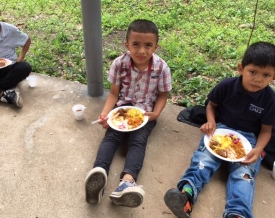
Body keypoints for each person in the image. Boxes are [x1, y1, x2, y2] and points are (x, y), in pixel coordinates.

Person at [164, 41, 275, 218]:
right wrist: (211, 122)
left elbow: (267, 130)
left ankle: (238, 213)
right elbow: (211, 105)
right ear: (241, 68)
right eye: (253, 72)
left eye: (266, 75)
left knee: (243, 175)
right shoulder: (227, 86)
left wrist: (259, 149)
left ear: (273, 77)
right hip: (220, 131)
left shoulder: (269, 99)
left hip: (249, 140)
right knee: (203, 160)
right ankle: (186, 196)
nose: (258, 79)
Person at [85, 19, 172, 207]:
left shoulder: (161, 68)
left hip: (146, 113)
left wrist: (156, 113)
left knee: (138, 141)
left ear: (156, 46)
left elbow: (163, 95)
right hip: (122, 110)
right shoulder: (119, 64)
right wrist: (106, 114)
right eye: (136, 45)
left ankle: (127, 182)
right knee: (111, 137)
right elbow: (114, 93)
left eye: (148, 45)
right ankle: (98, 173)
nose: (142, 51)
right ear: (127, 45)